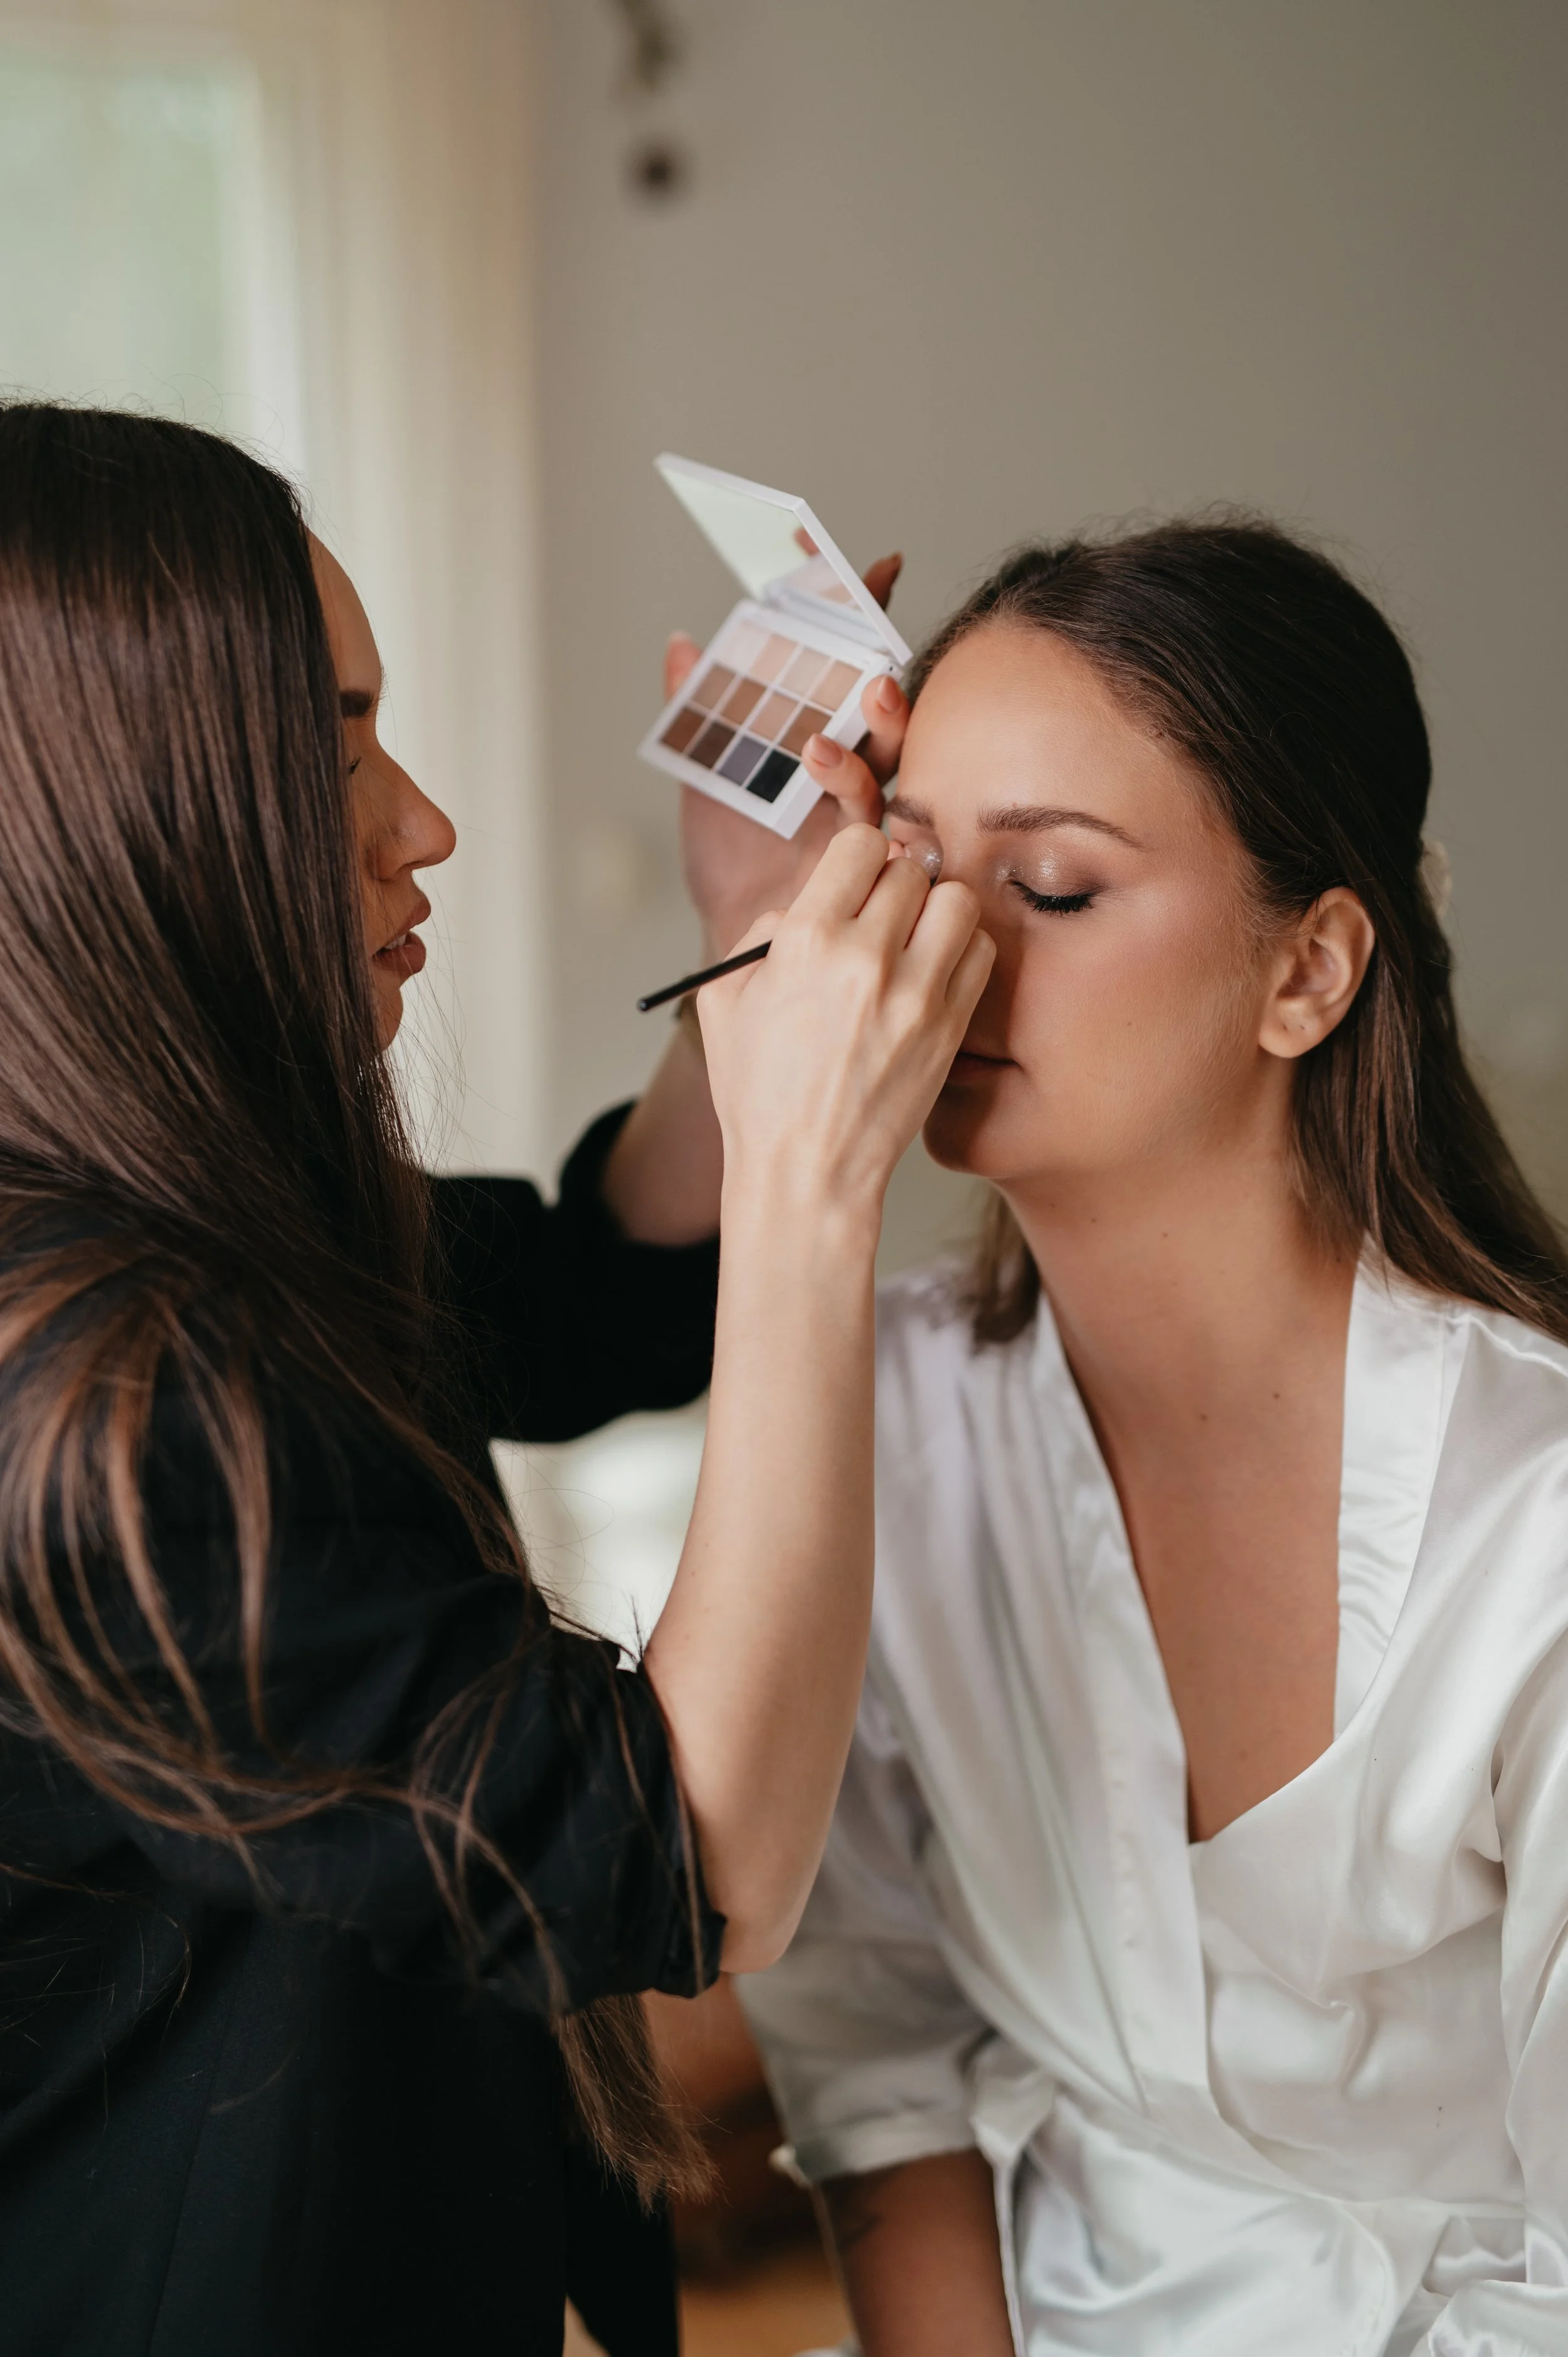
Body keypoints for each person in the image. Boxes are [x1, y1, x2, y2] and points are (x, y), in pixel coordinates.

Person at [0, 404, 992, 2357]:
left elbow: (595, 1284)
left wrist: (746, 933)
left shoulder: (177, 1228)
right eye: (333, 743)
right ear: (123, 805)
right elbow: (692, 1858)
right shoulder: (109, 1408)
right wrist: (818, 1173)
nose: (421, 820)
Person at [738, 520, 1568, 2357]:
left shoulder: (1535, 1521)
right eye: (903, 868)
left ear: (1308, 971)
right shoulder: (881, 1415)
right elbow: (871, 2056)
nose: (934, 953)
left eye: (1045, 887)